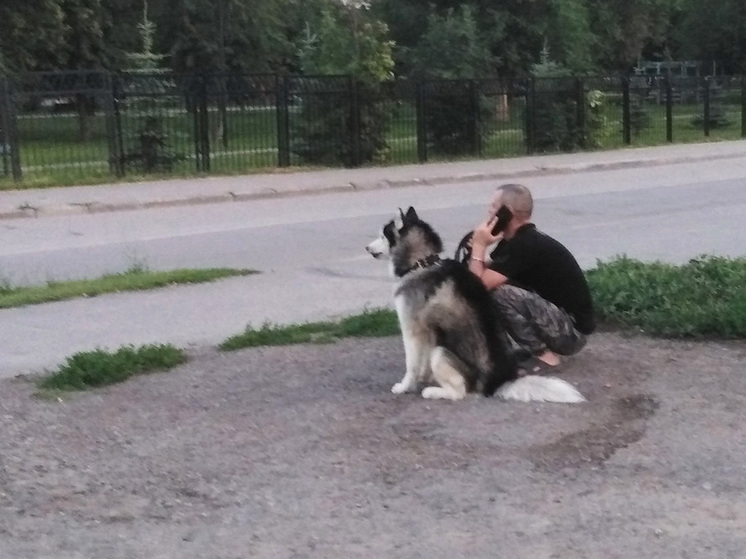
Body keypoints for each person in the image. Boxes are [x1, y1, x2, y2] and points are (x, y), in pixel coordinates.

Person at [468, 183, 595, 372]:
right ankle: (514, 350)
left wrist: (479, 247)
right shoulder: (519, 241)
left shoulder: (525, 245)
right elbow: (486, 271)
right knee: (496, 284)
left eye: (494, 205)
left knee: (497, 293)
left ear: (506, 212)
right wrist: (475, 253)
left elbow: (476, 288)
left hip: (571, 332)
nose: (489, 210)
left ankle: (545, 357)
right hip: (560, 322)